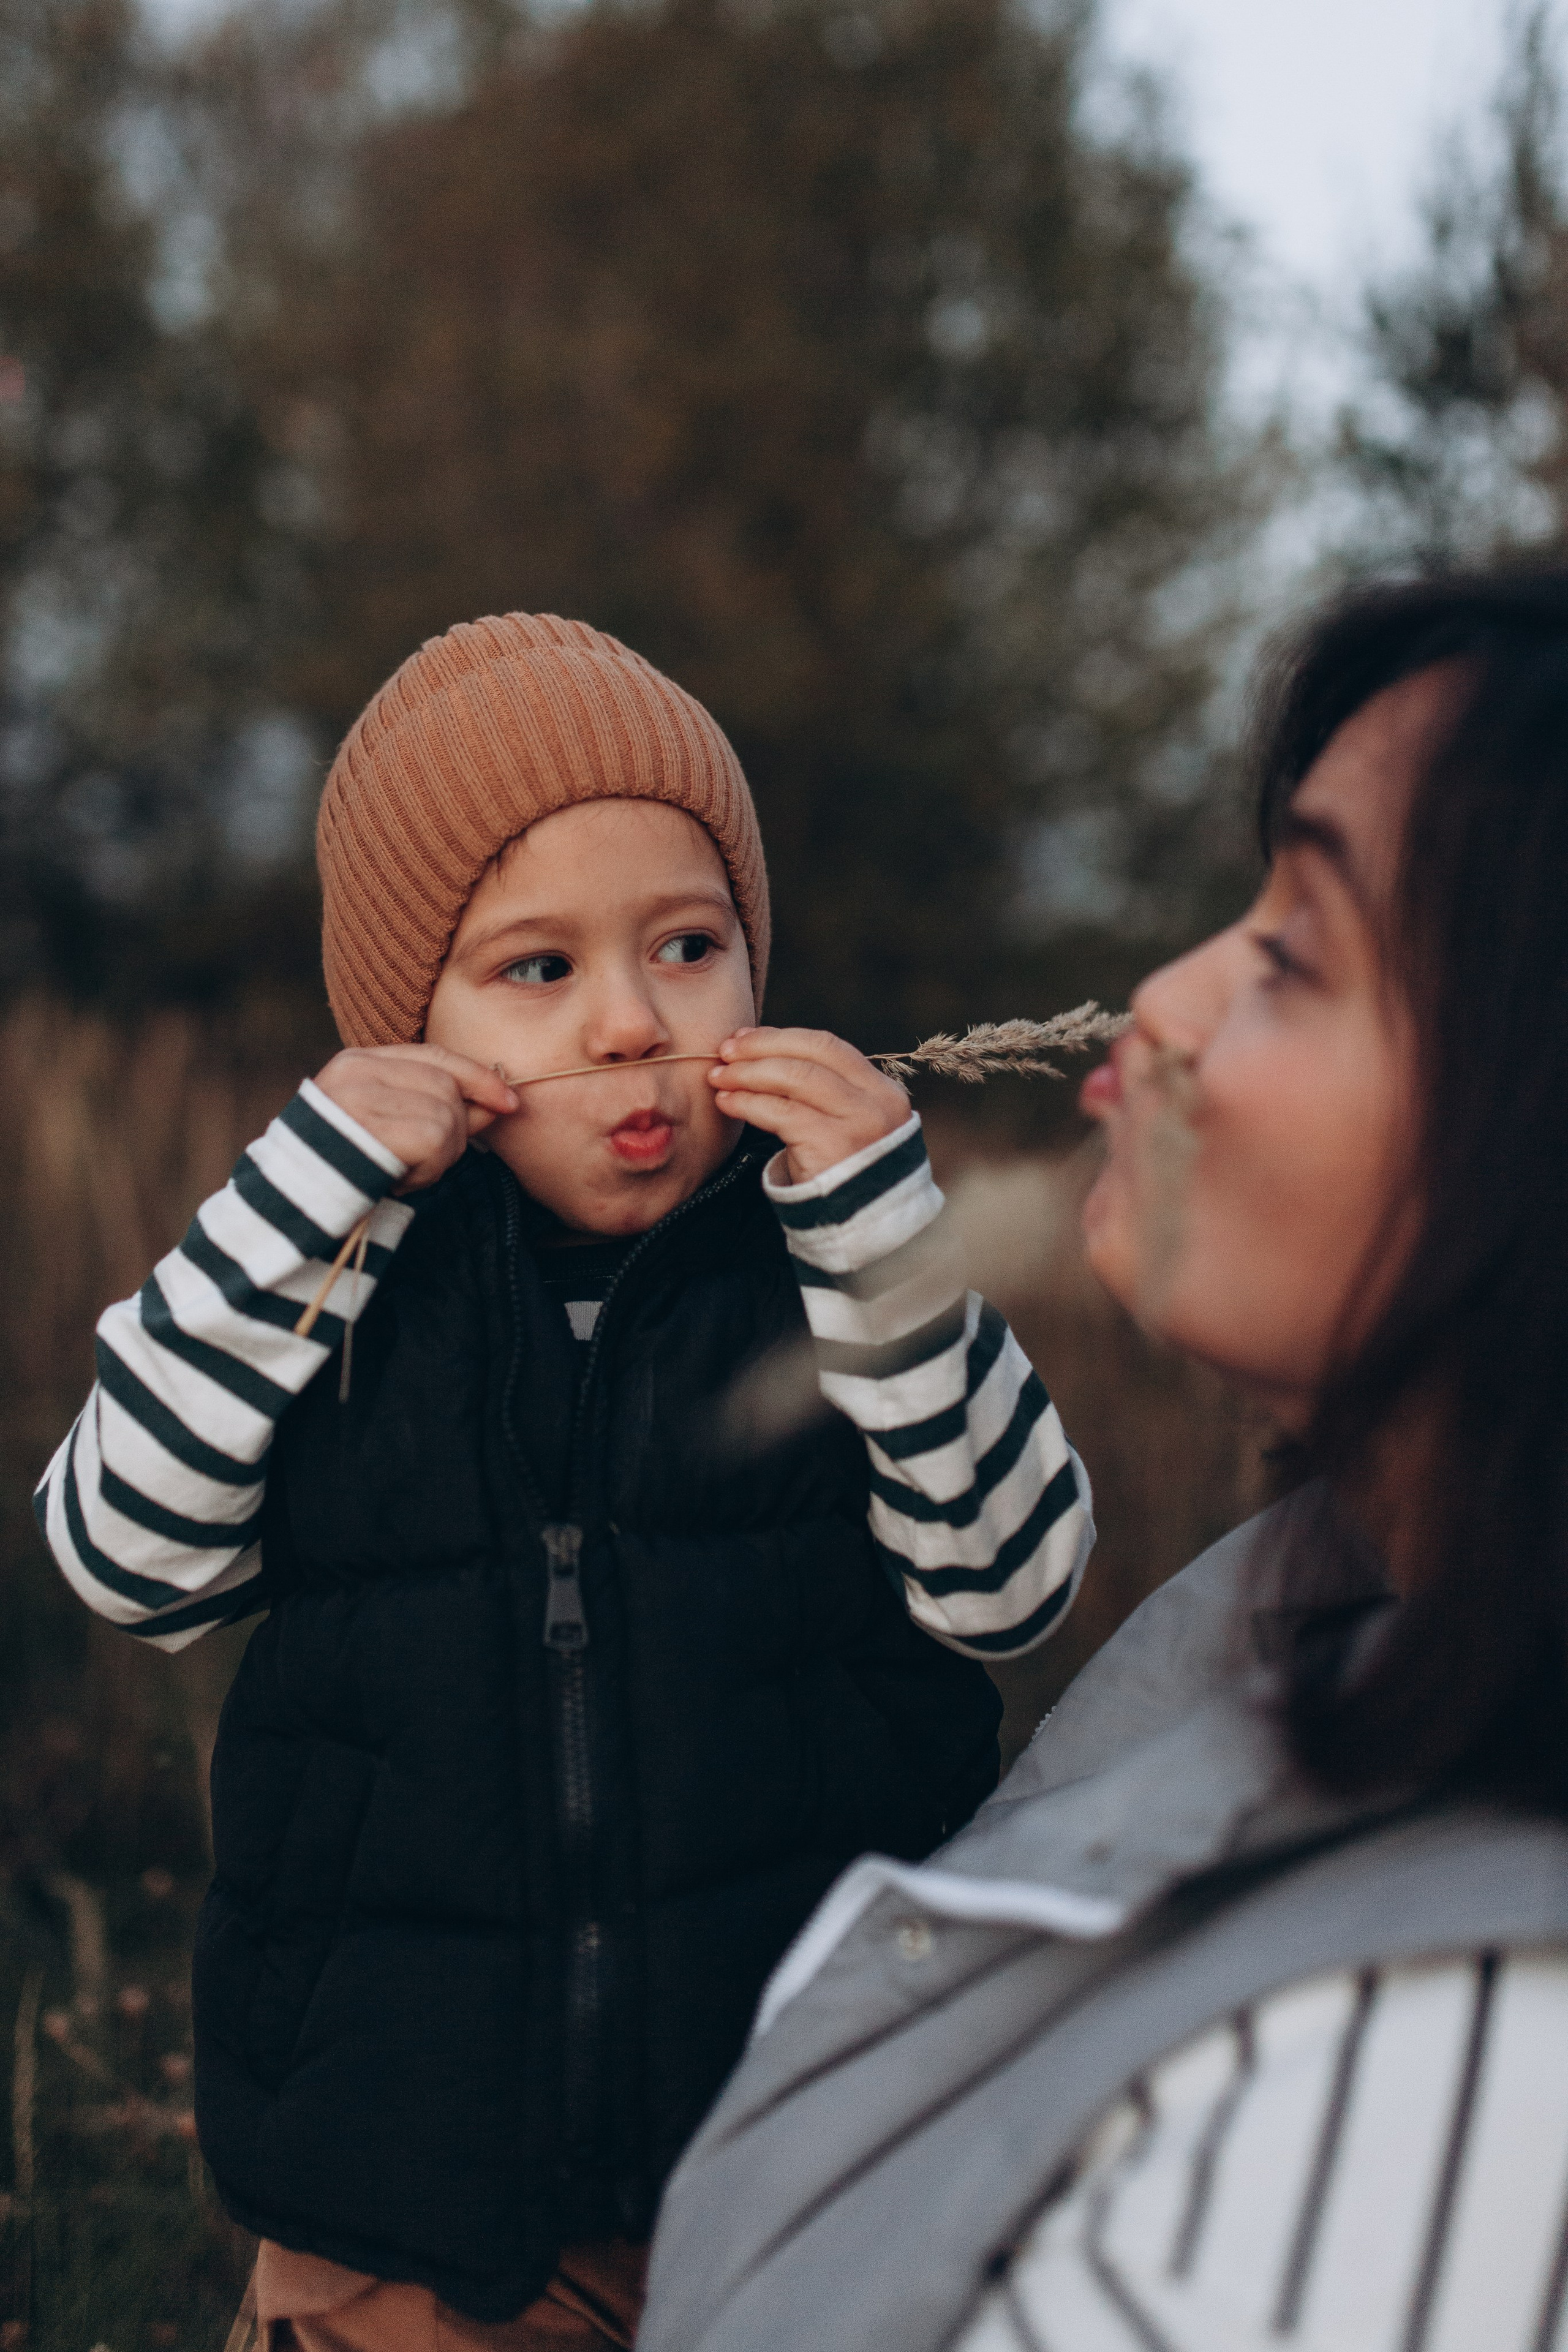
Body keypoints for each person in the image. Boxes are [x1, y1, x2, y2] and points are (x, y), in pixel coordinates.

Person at [34, 613, 1093, 2350]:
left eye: (688, 946)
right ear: (413, 1032)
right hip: (403, 2205)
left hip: (803, 2182)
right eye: (538, 970)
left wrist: (890, 1239)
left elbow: (1014, 1582)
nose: (627, 1024)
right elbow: (122, 1559)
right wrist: (310, 1189)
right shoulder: (337, 1295)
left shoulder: (818, 1271)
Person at [639, 565, 1568, 2352]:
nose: (1161, 1000)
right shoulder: (1296, 1630)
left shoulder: (1445, 2085)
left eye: (1294, 949)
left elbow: (998, 1564)